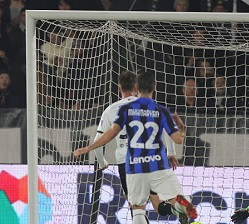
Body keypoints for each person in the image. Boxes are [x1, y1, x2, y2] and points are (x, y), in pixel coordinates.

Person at [74, 71, 197, 224]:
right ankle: (180, 206)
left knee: (137, 207)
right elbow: (175, 137)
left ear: (124, 88)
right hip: (156, 161)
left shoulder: (121, 110)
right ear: (154, 87)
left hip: (132, 163)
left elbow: (109, 135)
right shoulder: (159, 109)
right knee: (164, 201)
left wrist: (90, 152)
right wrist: (174, 145)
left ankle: (175, 208)